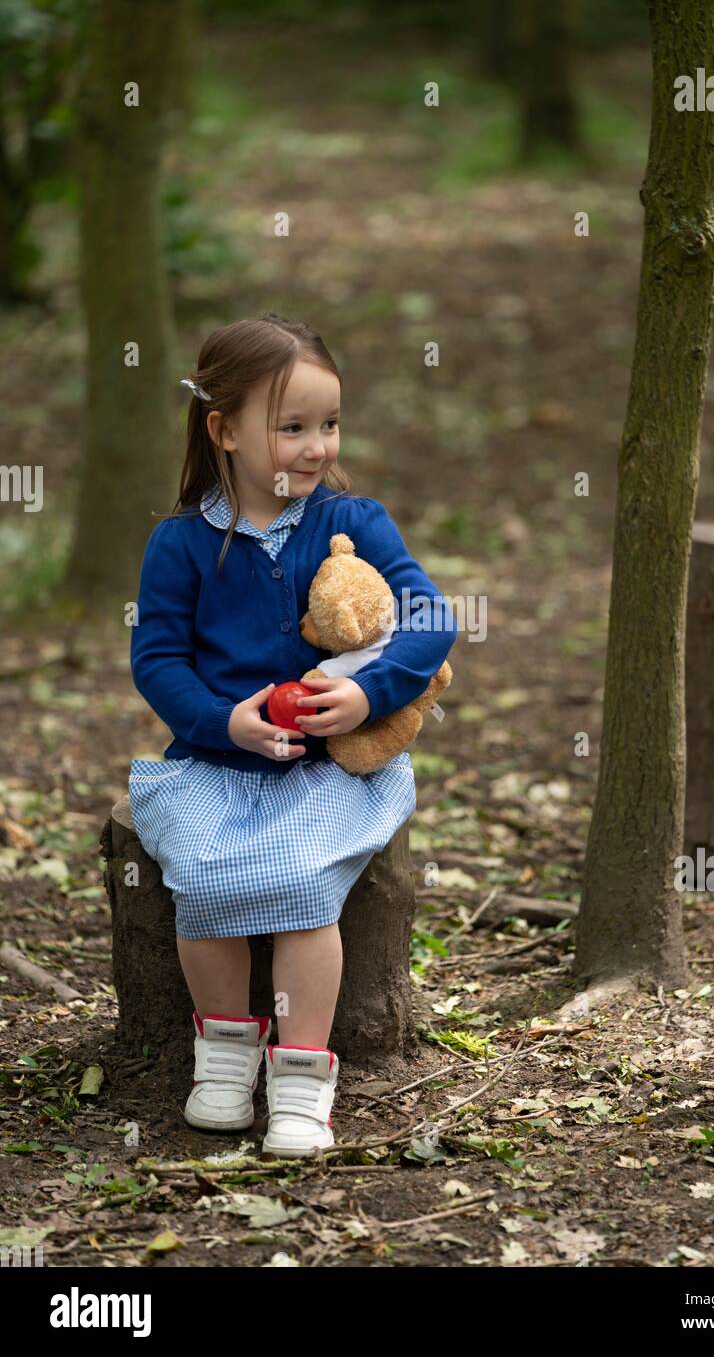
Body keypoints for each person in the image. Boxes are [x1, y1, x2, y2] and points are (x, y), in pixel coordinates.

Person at [127, 313, 458, 1158]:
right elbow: (158, 659)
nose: (317, 447)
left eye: (330, 424)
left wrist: (368, 694)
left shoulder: (354, 522)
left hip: (329, 773)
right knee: (203, 879)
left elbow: (428, 617)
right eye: (293, 427)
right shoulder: (181, 545)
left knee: (306, 886)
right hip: (214, 764)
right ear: (224, 430)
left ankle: (304, 1076)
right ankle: (227, 1050)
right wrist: (221, 720)